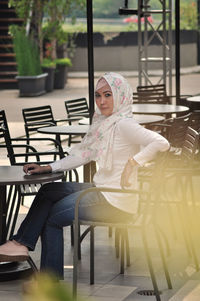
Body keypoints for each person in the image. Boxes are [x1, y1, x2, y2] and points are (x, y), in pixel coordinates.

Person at [0, 72, 170, 279]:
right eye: (98, 95)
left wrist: (133, 162)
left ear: (121, 95)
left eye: (108, 95)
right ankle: (21, 243)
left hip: (115, 201)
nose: (101, 101)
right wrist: (48, 167)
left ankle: (49, 282)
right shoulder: (106, 124)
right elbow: (84, 154)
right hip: (101, 191)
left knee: (52, 218)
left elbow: (161, 142)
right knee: (48, 191)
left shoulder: (124, 124)